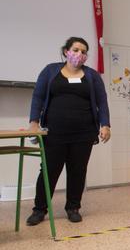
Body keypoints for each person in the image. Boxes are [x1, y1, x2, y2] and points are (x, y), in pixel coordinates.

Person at [27, 36, 111, 225]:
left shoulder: (92, 76)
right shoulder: (50, 71)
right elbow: (38, 96)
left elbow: (102, 102)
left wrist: (105, 124)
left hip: (84, 133)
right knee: (49, 170)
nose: (79, 54)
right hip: (54, 132)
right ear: (66, 51)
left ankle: (73, 207)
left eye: (83, 52)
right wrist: (33, 123)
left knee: (77, 171)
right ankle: (39, 209)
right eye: (75, 50)